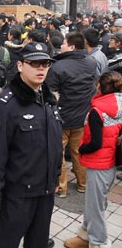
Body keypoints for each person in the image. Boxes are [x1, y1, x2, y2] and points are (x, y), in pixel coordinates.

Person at [0, 42, 63, 248]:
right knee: (5, 242)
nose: (41, 69)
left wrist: (54, 178)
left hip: (45, 191)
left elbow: (53, 145)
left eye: (45, 64)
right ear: (20, 66)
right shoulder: (6, 105)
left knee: (38, 242)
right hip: (17, 194)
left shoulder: (48, 100)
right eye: (34, 64)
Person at [64, 71, 122, 248]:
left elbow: (95, 143)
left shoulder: (97, 111)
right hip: (111, 161)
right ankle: (85, 235)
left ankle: (99, 242)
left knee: (96, 207)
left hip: (99, 163)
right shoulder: (120, 102)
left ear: (99, 86)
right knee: (94, 202)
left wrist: (81, 148)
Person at [46, 31, 97, 198]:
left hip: (62, 117)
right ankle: (82, 183)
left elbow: (50, 93)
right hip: (82, 115)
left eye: (64, 43)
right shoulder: (91, 62)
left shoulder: (58, 67)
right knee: (77, 151)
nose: (61, 46)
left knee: (58, 152)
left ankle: (61, 187)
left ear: (72, 47)